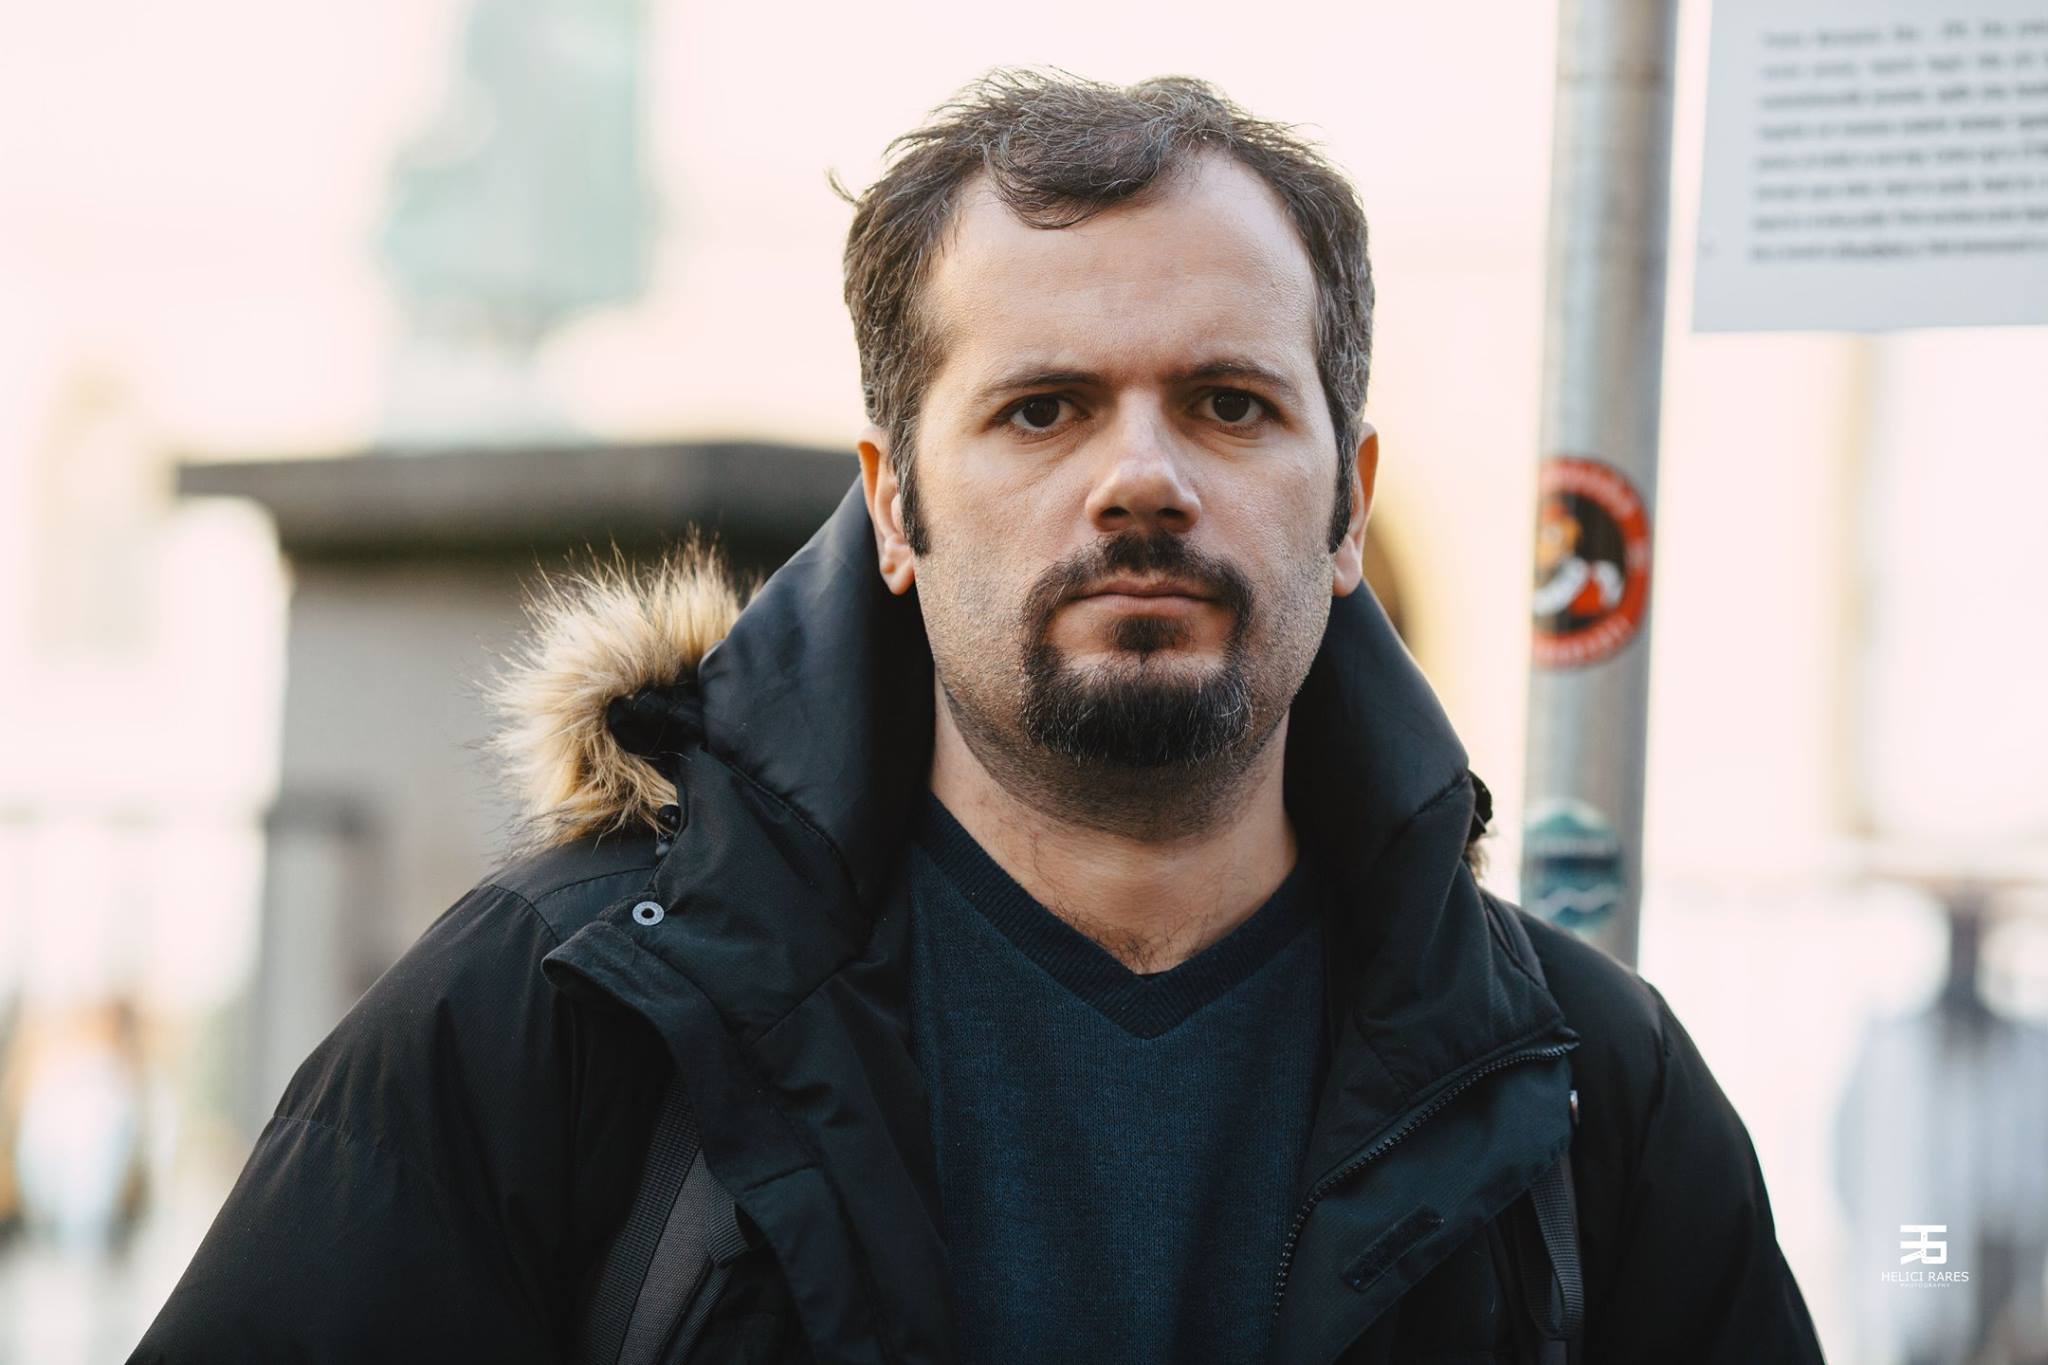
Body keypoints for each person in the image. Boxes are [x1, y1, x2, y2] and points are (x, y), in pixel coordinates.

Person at [131, 71, 1824, 1364]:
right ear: (891, 501)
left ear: (1349, 500)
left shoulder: (1586, 1090)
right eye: (1043, 409)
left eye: (1230, 404)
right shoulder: (568, 1020)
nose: (1141, 478)